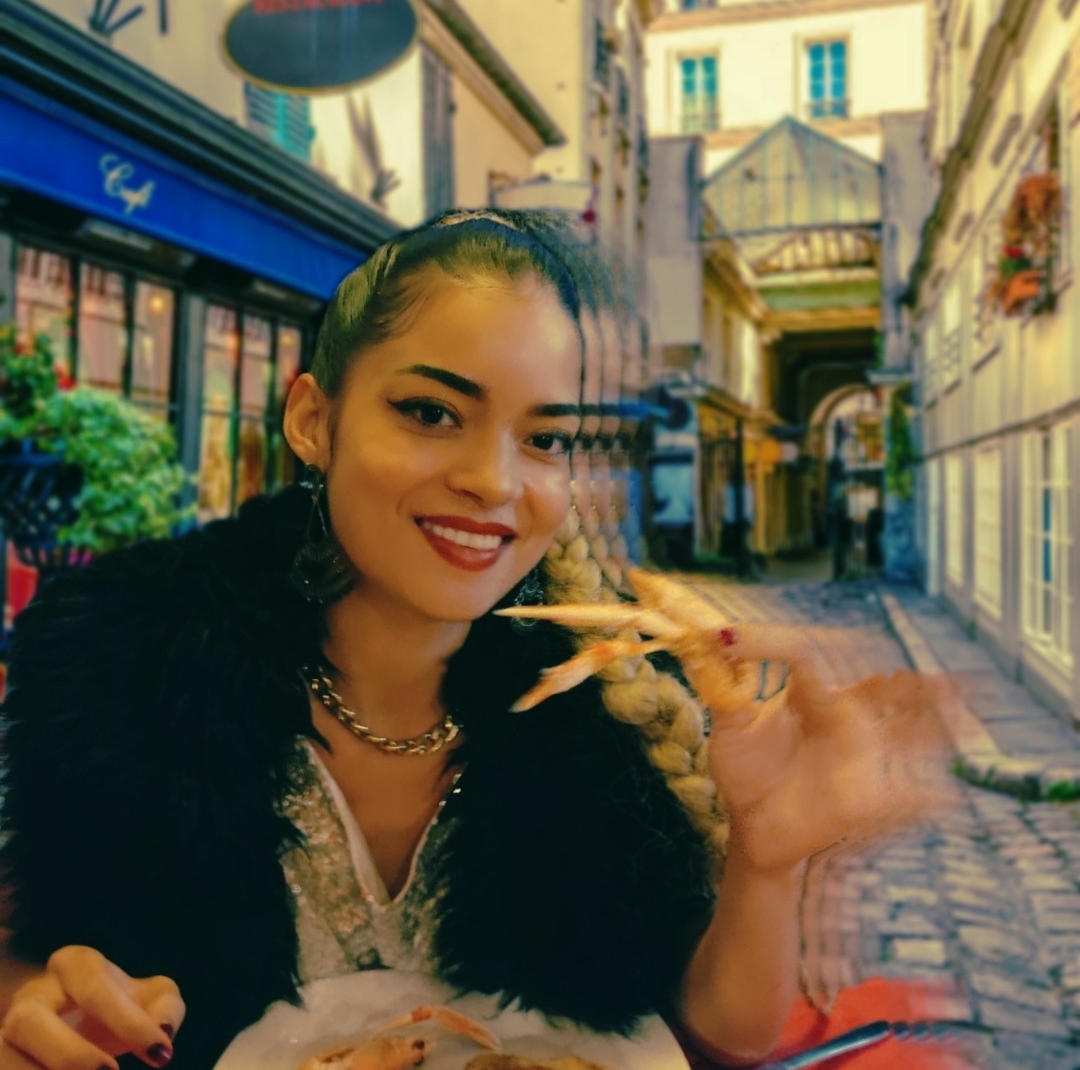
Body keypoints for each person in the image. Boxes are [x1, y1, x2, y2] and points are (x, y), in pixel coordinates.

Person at [0, 210, 947, 1070]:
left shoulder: (611, 706)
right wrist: (31, 1001)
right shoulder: (116, 670)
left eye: (544, 439)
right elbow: (31, 956)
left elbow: (717, 1034)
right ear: (314, 421)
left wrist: (767, 862)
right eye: (430, 413)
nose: (493, 481)